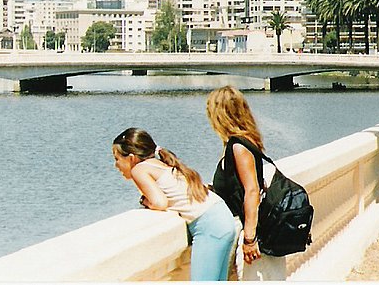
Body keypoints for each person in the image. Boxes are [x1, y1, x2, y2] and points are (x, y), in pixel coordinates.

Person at [112, 128, 236, 281]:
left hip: (209, 225)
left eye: (117, 159)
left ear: (131, 158)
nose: (115, 165)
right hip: (220, 215)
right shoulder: (159, 164)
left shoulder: (139, 169)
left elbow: (160, 202)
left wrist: (144, 201)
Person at [205, 86, 287, 281]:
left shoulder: (239, 146)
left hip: (244, 229)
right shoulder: (245, 142)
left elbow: (252, 190)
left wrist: (249, 239)